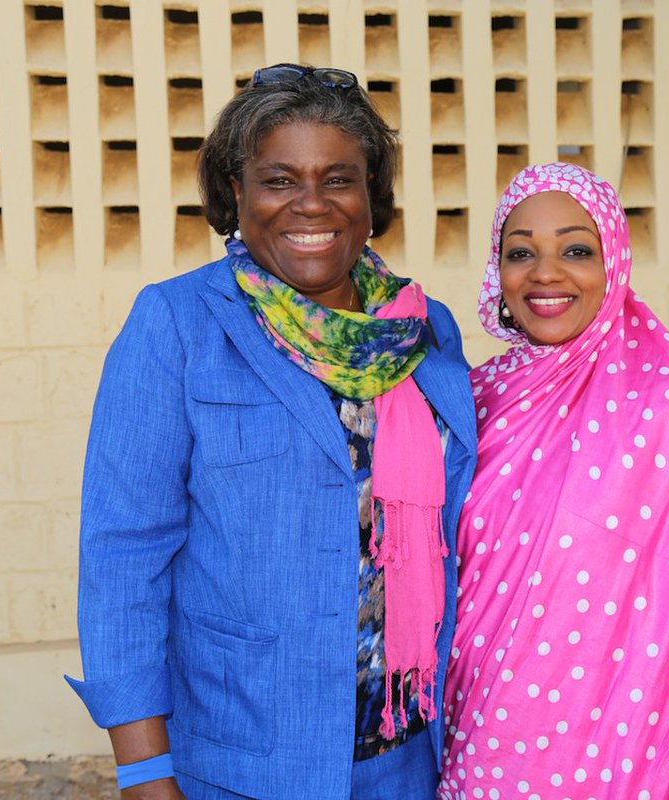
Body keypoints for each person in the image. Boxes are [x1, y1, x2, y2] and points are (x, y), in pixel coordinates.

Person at [65, 63, 477, 800]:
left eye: (338, 179)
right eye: (279, 180)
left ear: (372, 196)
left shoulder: (424, 331)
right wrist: (145, 771)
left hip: (409, 756)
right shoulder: (178, 325)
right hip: (245, 760)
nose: (311, 203)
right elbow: (124, 554)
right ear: (237, 193)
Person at [439, 162, 669, 800]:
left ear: (613, 262)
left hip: (622, 755)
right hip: (477, 741)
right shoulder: (474, 400)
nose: (546, 273)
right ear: (497, 270)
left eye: (575, 250)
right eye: (521, 252)